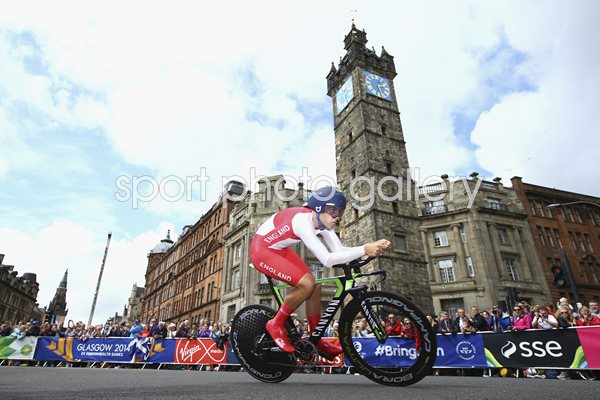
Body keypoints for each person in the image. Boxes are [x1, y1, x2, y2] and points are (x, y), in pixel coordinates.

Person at [249, 186, 390, 356]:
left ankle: (317, 338)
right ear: (318, 208)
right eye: (333, 211)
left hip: (280, 249)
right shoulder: (302, 221)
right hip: (261, 250)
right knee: (306, 283)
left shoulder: (323, 223)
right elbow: (327, 259)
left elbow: (338, 250)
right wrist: (365, 248)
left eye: (339, 213)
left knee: (314, 287)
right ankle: (275, 323)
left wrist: (366, 248)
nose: (337, 217)